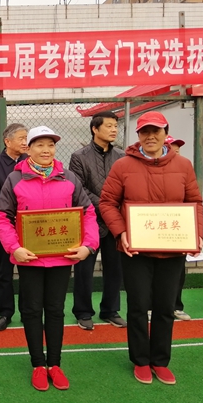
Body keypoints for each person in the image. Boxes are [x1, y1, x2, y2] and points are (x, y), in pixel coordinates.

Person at [100, 111, 203, 386]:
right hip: (136, 252)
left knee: (165, 306)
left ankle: (160, 360)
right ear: (138, 136)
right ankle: (141, 360)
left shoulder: (183, 165)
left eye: (155, 131)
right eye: (144, 131)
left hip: (172, 250)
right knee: (137, 306)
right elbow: (107, 202)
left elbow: (194, 202)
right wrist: (121, 232)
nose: (150, 136)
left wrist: (196, 234)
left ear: (165, 134)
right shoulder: (123, 165)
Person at [0, 126, 99, 392]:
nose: (46, 150)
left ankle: (54, 364)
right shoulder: (15, 179)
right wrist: (14, 248)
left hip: (61, 258)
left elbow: (87, 212)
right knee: (31, 310)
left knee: (55, 310)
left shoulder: (69, 178)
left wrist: (88, 245)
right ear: (28, 149)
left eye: (50, 145)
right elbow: (1, 216)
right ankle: (38, 365)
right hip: (29, 258)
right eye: (39, 145)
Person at [70, 111, 126, 331]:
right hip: (89, 222)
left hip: (114, 223)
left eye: (116, 126)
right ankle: (83, 312)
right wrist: (106, 207)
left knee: (115, 269)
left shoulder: (121, 156)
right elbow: (78, 189)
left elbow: (126, 187)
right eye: (109, 126)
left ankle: (110, 310)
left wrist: (113, 211)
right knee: (84, 270)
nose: (114, 130)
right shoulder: (79, 156)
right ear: (95, 129)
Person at [0, 123, 29, 331]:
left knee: (29, 272)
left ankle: (29, 311)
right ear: (7, 141)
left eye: (26, 138)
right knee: (5, 272)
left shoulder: (32, 162)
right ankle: (5, 312)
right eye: (21, 138)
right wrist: (18, 207)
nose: (25, 142)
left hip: (30, 228)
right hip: (4, 227)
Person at [165, 135, 191, 321]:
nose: (176, 153)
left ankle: (176, 306)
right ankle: (151, 306)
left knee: (178, 269)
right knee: (154, 271)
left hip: (177, 227)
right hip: (154, 228)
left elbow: (192, 199)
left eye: (178, 150)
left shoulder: (184, 168)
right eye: (172, 150)